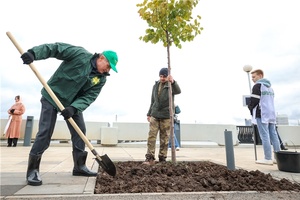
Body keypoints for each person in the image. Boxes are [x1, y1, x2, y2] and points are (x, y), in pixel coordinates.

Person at [20, 43, 118, 186]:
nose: (107, 70)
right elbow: (55, 49)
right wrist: (34, 53)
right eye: (108, 66)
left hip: (71, 104)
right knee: (45, 132)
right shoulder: (80, 54)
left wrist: (74, 108)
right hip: (52, 96)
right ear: (101, 58)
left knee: (80, 132)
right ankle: (32, 170)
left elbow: (89, 96)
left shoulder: (101, 79)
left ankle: (79, 166)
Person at [143, 68, 181, 165]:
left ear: (167, 76)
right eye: (160, 76)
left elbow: (178, 91)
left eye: (164, 76)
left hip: (166, 115)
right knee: (151, 137)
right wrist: (149, 113)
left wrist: (173, 82)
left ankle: (162, 158)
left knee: (164, 139)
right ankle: (150, 158)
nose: (162, 78)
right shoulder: (155, 86)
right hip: (155, 114)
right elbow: (152, 101)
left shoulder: (170, 86)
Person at [248, 69, 280, 165]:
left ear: (260, 75)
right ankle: (278, 158)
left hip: (261, 113)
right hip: (271, 113)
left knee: (264, 135)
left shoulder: (258, 86)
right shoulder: (270, 88)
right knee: (274, 135)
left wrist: (250, 108)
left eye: (254, 77)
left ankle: (267, 158)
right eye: (252, 77)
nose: (253, 79)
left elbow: (254, 101)